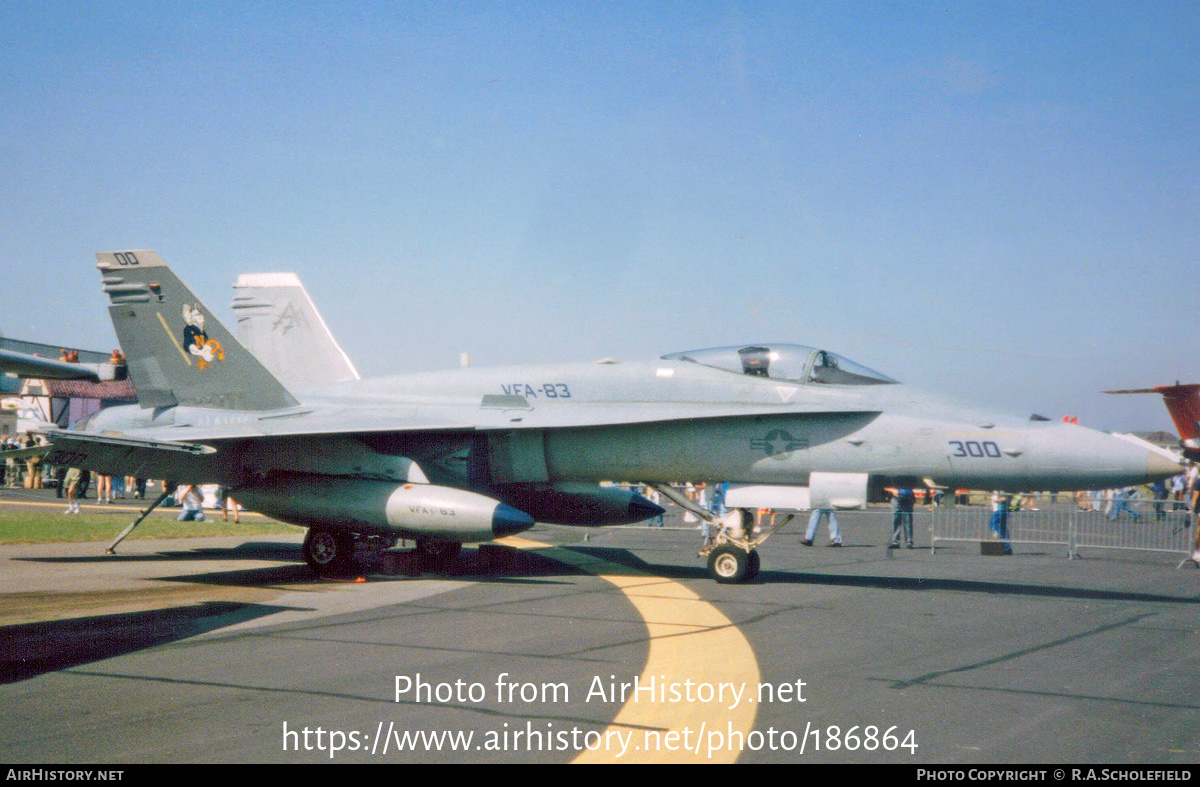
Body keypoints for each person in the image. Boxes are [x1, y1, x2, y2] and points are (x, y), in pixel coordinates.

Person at [989, 490, 1013, 555]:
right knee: (1002, 527)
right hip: (1003, 509)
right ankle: (1007, 547)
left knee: (993, 524)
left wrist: (997, 500)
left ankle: (1004, 544)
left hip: (1001, 509)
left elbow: (1006, 497)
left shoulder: (1005, 487)